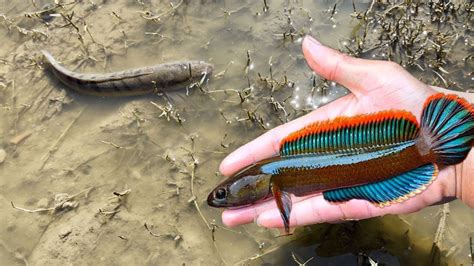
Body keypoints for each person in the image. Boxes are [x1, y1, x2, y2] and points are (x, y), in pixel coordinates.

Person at [218, 35, 474, 230]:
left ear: (255, 182)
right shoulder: (273, 175)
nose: (223, 197)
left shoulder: (274, 173)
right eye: (224, 193)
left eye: (223, 194)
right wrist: (461, 174)